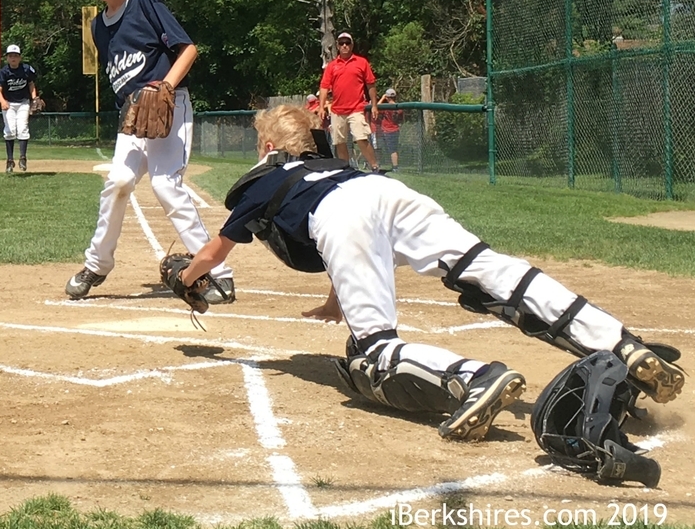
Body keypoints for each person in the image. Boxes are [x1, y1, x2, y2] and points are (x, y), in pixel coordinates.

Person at [172, 105, 684, 441]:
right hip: (389, 193)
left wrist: (187, 279)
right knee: (485, 269)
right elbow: (352, 241)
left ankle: (475, 379)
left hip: (340, 216)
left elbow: (214, 253)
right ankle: (618, 341)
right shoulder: (335, 166)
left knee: (372, 352)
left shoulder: (264, 180)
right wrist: (335, 300)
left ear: (269, 147)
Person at [65, 0, 234, 303]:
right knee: (118, 182)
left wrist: (166, 86)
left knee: (165, 185)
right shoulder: (97, 26)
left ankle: (218, 272)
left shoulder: (143, 4)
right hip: (133, 115)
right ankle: (97, 265)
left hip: (168, 106)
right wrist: (131, 107)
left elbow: (188, 48)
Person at [318, 32, 379, 171]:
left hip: (356, 109)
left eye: (347, 42)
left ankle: (374, 166)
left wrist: (374, 105)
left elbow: (370, 84)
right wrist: (321, 107)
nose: (344, 45)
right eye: (341, 43)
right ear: (337, 46)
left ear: (352, 45)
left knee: (361, 138)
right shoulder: (332, 66)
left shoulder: (362, 62)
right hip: (337, 111)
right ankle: (344, 169)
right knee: (339, 142)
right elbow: (324, 87)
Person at [0, 45, 38, 172]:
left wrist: (34, 98)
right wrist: (2, 101)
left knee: (23, 129)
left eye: (16, 56)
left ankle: (23, 158)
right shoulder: (3, 72)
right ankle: (10, 160)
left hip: (24, 103)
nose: (13, 58)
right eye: (10, 56)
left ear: (20, 57)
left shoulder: (26, 69)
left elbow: (31, 84)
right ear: (7, 58)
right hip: (9, 104)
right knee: (10, 131)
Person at [378, 88, 402, 171]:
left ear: (387, 97)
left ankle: (395, 167)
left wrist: (382, 98)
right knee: (393, 149)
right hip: (395, 130)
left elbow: (376, 107)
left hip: (387, 130)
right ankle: (394, 166)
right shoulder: (399, 107)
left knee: (390, 150)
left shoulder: (386, 107)